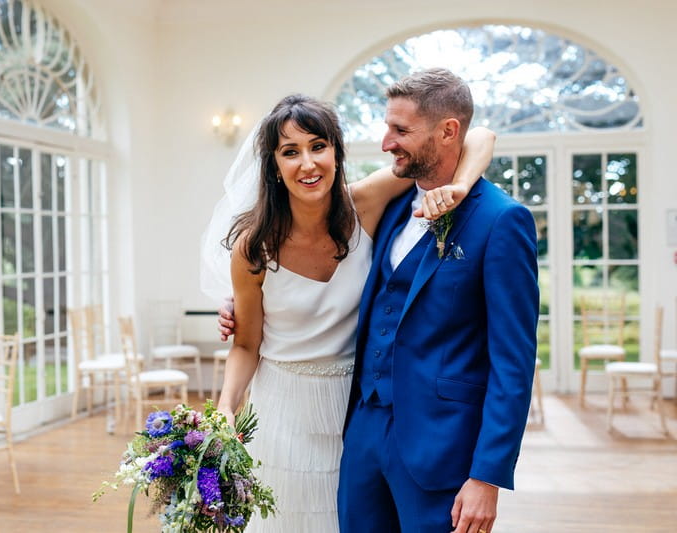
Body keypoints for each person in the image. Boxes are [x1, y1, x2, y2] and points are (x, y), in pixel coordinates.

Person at [207, 92, 495, 532]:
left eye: (318, 146)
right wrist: (227, 407)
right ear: (274, 167)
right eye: (290, 152)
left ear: (336, 153)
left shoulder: (365, 204)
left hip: (357, 411)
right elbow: (246, 344)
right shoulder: (254, 245)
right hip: (283, 411)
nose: (308, 164)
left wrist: (459, 188)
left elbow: (479, 137)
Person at [335, 68, 539, 533]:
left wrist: (487, 474)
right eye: (388, 127)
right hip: (363, 433)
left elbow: (514, 361)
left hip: (443, 449)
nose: (386, 143)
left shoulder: (501, 221)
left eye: (401, 131)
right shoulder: (388, 206)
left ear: (449, 132)